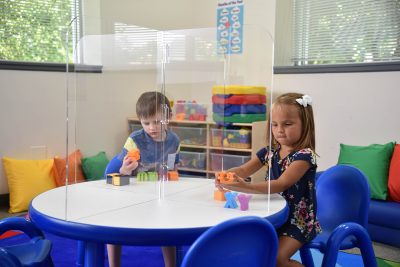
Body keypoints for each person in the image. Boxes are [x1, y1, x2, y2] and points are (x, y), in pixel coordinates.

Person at [216, 92, 321, 267]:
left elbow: (282, 183)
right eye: (274, 124)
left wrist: (245, 187)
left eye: (287, 124)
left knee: (277, 259)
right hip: (272, 214)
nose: (279, 130)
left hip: (298, 222)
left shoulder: (305, 156)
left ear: (305, 124)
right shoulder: (269, 152)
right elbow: (243, 170)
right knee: (247, 249)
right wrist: (226, 175)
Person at [108, 91, 180, 267]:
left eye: (157, 122)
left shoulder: (174, 141)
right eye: (146, 123)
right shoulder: (135, 139)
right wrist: (125, 169)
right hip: (120, 176)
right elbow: (115, 176)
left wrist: (169, 177)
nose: (151, 128)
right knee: (112, 223)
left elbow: (172, 169)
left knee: (167, 221)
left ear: (168, 117)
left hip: (148, 182)